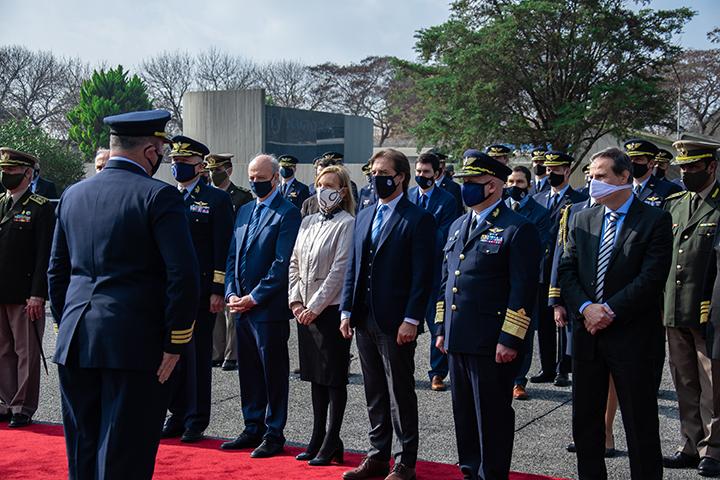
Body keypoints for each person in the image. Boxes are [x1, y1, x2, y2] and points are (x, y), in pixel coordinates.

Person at [48, 110, 200, 479]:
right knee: (124, 456)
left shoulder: (73, 195)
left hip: (76, 338)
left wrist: (63, 324)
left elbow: (57, 272)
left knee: (83, 451)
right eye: (161, 149)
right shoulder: (159, 196)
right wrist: (175, 341)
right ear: (151, 150)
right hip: (133, 343)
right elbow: (183, 275)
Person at [558, 147, 672, 480]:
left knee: (640, 425)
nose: (593, 183)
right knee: (586, 424)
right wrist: (586, 308)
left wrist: (607, 310)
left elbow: (651, 277)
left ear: (624, 177)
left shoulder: (655, 219)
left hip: (633, 337)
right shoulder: (582, 218)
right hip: (588, 336)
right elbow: (567, 271)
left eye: (601, 176)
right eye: (591, 176)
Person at [436, 151, 540, 480]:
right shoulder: (458, 225)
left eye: (472, 182)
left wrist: (510, 338)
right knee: (464, 414)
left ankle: (492, 474)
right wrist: (441, 327)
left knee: (491, 417)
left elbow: (522, 290)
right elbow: (446, 282)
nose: (465, 187)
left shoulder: (516, 228)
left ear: (492, 186)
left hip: (491, 340)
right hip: (458, 336)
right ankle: (470, 472)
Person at [340, 148, 436, 480]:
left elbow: (423, 275)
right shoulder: (365, 215)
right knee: (374, 390)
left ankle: (405, 461)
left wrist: (412, 318)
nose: (376, 178)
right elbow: (353, 266)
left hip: (396, 321)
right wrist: (346, 310)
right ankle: (377, 455)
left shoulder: (418, 218)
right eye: (373, 173)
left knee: (400, 392)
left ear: (401, 177)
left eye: (384, 173)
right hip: (364, 317)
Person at [221, 154, 301, 458]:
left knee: (272, 373)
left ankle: (273, 432)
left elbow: (282, 264)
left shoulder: (287, 213)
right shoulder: (243, 211)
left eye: (261, 177)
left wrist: (254, 297)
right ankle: (251, 425)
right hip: (240, 307)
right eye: (251, 177)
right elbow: (231, 257)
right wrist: (231, 293)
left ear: (276, 177)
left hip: (267, 310)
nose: (255, 182)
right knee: (249, 371)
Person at [160, 136, 234, 443]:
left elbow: (222, 248)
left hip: (202, 291)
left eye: (185, 163)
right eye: (175, 162)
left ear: (200, 166)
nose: (178, 167)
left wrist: (218, 288)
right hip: (170, 292)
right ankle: (175, 414)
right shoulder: (166, 197)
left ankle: (196, 419)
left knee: (198, 357)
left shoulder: (215, 199)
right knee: (170, 354)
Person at [288, 165, 355, 466]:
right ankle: (317, 437)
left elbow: (340, 271)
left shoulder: (347, 223)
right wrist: (296, 302)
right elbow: (294, 263)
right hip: (305, 311)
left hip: (328, 311)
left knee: (333, 377)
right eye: (320, 184)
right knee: (315, 377)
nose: (324, 189)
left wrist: (314, 307)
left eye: (331, 185)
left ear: (342, 191)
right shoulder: (308, 221)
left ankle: (332, 438)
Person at [661, 140, 720, 477]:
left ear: (711, 166)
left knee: (713, 383)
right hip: (674, 307)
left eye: (693, 167)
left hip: (709, 311)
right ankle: (689, 443)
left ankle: (713, 450)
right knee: (684, 380)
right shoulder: (675, 204)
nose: (686, 173)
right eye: (682, 167)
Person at [0, 148, 55, 428]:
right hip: (1, 291)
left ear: (28, 173)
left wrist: (38, 293)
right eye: (4, 170)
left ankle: (23, 406)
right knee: (3, 351)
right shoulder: (0, 203)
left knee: (27, 351)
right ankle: (7, 402)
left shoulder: (41, 207)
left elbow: (44, 255)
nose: (5, 174)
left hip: (25, 294)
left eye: (11, 170)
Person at [531, 151, 587, 386]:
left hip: (562, 267)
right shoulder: (539, 199)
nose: (550, 173)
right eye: (548, 168)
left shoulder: (577, 200)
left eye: (556, 169)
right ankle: (547, 366)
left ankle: (563, 367)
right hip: (541, 268)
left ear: (567, 170)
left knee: (563, 319)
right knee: (544, 321)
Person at [408, 152, 459, 392]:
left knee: (437, 323)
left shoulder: (447, 200)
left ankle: (437, 373)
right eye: (418, 172)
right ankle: (405, 369)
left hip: (436, 271)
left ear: (437, 174)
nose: (421, 176)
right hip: (409, 273)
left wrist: (416, 237)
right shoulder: (408, 196)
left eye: (426, 173)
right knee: (407, 322)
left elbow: (444, 235)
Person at [505, 165, 551, 400]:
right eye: (511, 182)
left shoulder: (540, 213)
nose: (514, 187)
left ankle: (519, 381)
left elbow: (536, 248)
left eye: (519, 183)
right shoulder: (499, 209)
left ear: (529, 185)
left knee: (522, 330)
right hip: (499, 282)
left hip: (527, 281)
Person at [205, 152, 253, 371]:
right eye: (211, 170)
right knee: (214, 304)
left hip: (234, 254)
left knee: (232, 305)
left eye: (218, 170)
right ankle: (216, 350)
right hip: (213, 254)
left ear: (229, 170)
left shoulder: (242, 197)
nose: (214, 174)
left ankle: (232, 353)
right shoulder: (205, 196)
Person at [624, 138, 683, 207]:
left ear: (651, 163)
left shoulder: (669, 189)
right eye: (629, 159)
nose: (632, 163)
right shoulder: (620, 186)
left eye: (638, 159)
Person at [435, 151, 464, 217]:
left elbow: (457, 213)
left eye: (438, 165)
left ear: (443, 167)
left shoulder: (453, 187)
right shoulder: (425, 185)